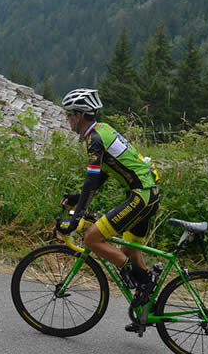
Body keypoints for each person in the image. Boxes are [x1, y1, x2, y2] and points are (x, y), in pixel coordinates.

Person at [57, 87, 160, 294]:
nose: (67, 119)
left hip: (142, 195)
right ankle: (146, 308)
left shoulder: (95, 139)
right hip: (147, 193)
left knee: (92, 238)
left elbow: (91, 180)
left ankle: (145, 278)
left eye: (69, 114)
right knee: (128, 251)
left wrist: (76, 218)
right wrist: (78, 199)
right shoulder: (102, 130)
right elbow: (104, 173)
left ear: (78, 115)